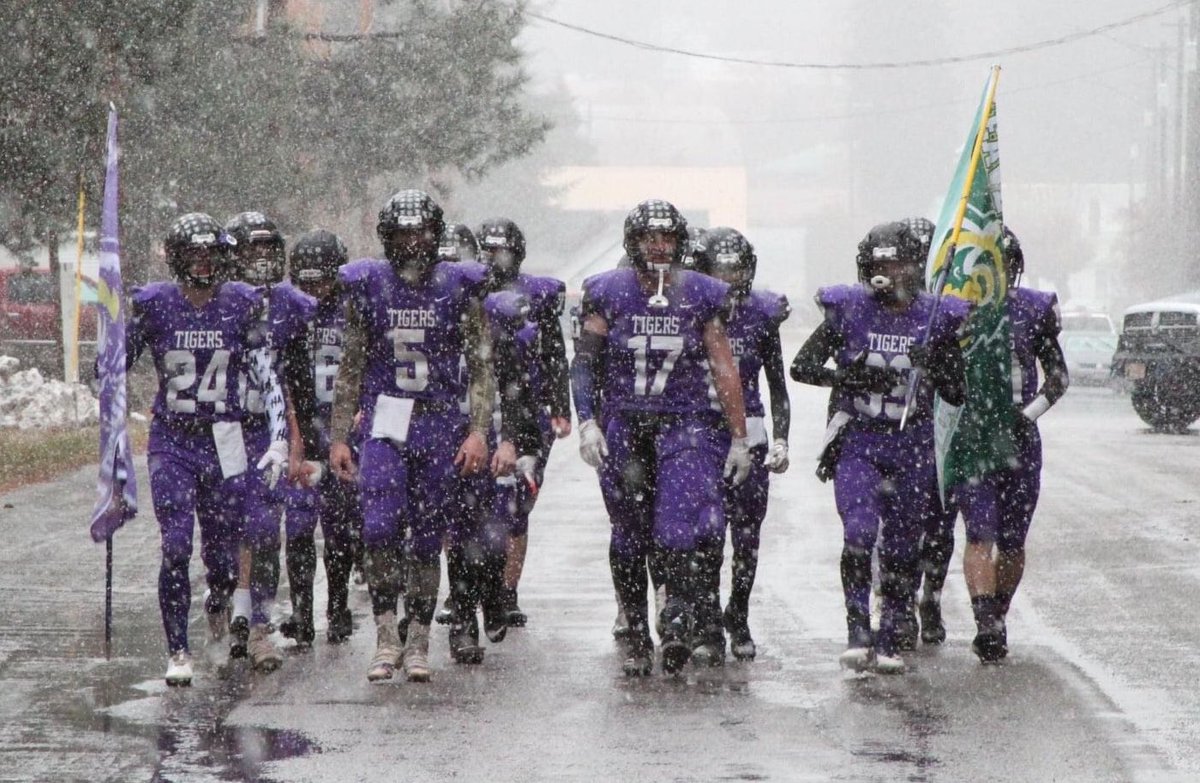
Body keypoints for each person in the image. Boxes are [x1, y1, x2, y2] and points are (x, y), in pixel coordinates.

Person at [328, 188, 503, 683]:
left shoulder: (458, 286)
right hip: (386, 416)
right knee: (380, 527)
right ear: (389, 237)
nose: (412, 241)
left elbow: (482, 368)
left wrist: (478, 431)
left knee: (427, 536)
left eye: (420, 231)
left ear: (434, 233)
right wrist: (340, 436)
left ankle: (420, 639)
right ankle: (387, 636)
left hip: (439, 418)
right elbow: (351, 366)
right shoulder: (371, 286)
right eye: (403, 232)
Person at [571, 199, 752, 676]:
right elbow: (585, 360)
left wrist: (739, 436)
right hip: (626, 420)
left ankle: (672, 620)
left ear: (680, 243)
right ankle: (634, 626)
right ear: (633, 242)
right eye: (650, 237)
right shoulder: (608, 290)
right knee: (628, 535)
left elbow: (723, 367)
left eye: (667, 237)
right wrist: (586, 419)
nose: (658, 245)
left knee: (676, 526)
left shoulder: (700, 293)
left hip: (682, 420)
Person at [790, 220, 968, 674]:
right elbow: (803, 366)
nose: (886, 270)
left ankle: (889, 635)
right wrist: (846, 376)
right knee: (859, 534)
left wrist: (939, 363)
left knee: (903, 547)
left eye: (896, 261)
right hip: (861, 438)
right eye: (879, 261)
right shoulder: (849, 309)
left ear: (914, 267)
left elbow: (957, 392)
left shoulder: (934, 317)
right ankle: (857, 630)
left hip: (912, 443)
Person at [127, 212, 290, 686]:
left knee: (224, 552)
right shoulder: (157, 303)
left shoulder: (240, 303)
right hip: (173, 439)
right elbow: (114, 366)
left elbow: (268, 378)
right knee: (176, 544)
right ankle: (178, 648)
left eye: (210, 254)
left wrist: (279, 439)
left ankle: (221, 599)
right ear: (178, 258)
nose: (203, 263)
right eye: (194, 254)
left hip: (225, 436)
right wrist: (108, 347)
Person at [955, 226, 1068, 663]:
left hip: (1020, 438)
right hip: (974, 438)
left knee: (1014, 539)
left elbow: (1059, 377)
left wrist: (1029, 414)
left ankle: (998, 612)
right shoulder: (957, 311)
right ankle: (985, 622)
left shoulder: (1032, 312)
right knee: (980, 531)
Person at [692, 227, 791, 661]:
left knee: (747, 535)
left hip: (749, 428)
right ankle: (710, 617)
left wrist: (782, 438)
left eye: (737, 268)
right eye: (721, 268)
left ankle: (740, 612)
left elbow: (777, 385)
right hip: (701, 428)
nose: (731, 277)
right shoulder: (690, 309)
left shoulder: (761, 315)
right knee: (708, 533)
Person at [223, 211, 316, 669]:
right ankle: (228, 608)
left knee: (263, 529)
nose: (261, 259)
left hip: (265, 428)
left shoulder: (291, 305)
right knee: (222, 529)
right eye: (251, 250)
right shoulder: (215, 299)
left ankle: (258, 626)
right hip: (218, 426)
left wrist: (296, 442)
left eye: (267, 249)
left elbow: (295, 381)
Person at [476, 217, 571, 626]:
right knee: (467, 504)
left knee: (517, 507)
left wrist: (560, 406)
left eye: (502, 250)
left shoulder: (538, 296)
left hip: (527, 409)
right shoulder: (467, 290)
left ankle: (507, 590)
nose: (495, 259)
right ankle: (468, 590)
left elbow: (554, 354)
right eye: (488, 251)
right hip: (476, 406)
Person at [282, 229, 362, 644]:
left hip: (344, 431)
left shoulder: (354, 309)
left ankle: (337, 605)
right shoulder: (292, 313)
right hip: (305, 427)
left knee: (340, 526)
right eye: (306, 281)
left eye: (322, 281)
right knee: (297, 524)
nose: (314, 290)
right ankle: (300, 611)